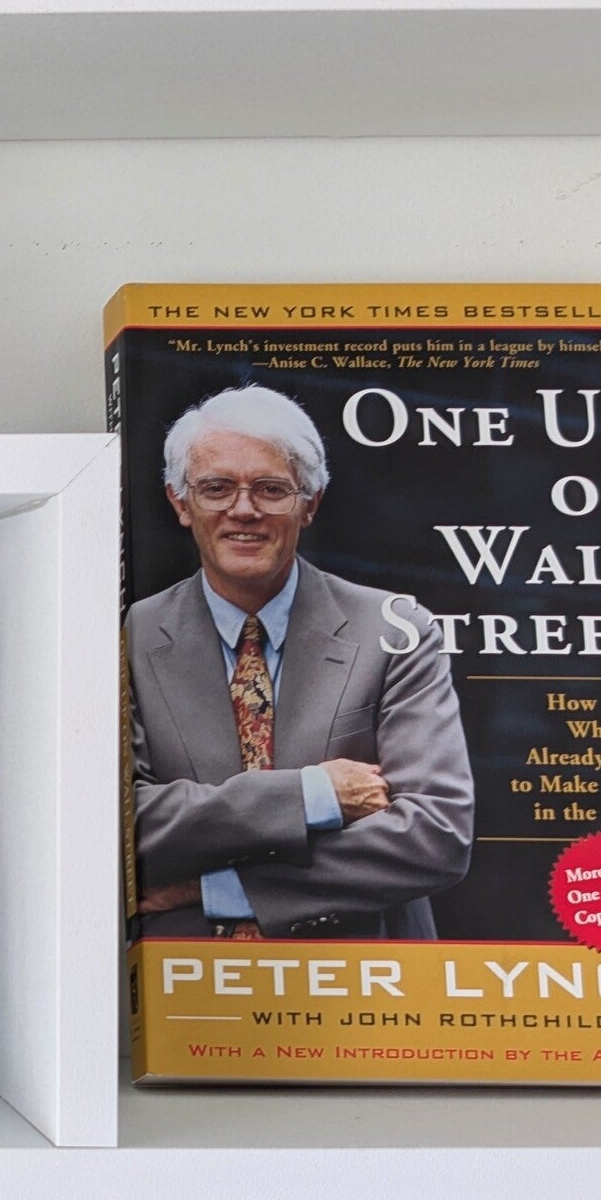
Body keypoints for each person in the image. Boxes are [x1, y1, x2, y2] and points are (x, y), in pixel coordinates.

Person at [128, 383, 471, 941]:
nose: (244, 510)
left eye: (271, 489)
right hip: (183, 988)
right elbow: (127, 823)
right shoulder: (129, 638)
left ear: (310, 503)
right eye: (216, 488)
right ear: (179, 502)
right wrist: (314, 794)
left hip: (368, 984)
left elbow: (435, 834)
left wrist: (218, 887)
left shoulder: (397, 631)